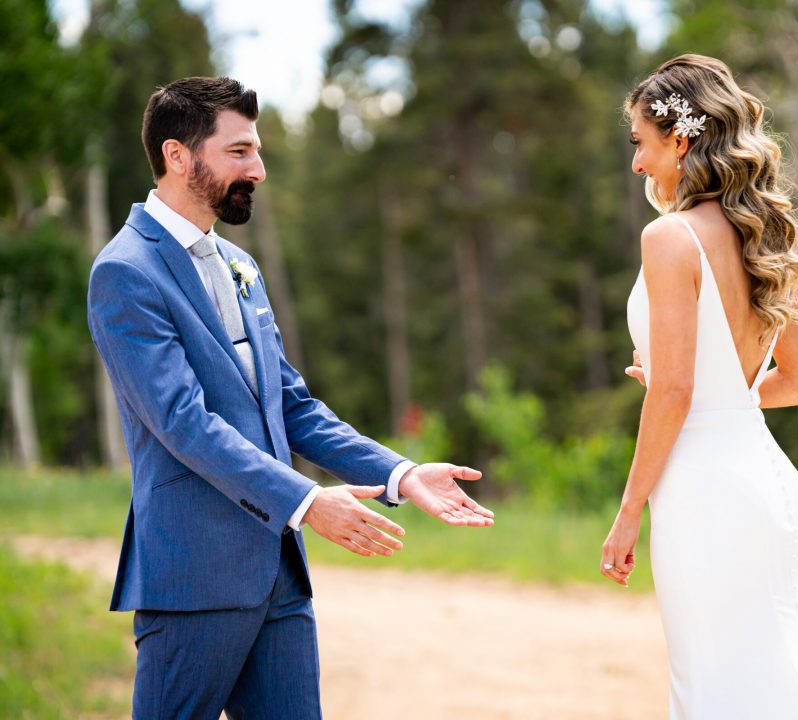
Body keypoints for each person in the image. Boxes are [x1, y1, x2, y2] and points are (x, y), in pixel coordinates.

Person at [87, 76, 494, 720]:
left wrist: (401, 473)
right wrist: (305, 501)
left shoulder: (239, 265)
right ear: (177, 155)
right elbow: (183, 422)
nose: (260, 169)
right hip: (194, 578)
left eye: (258, 151)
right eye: (240, 152)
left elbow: (293, 407)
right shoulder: (125, 272)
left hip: (281, 579)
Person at [601, 55, 798, 719]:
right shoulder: (765, 235)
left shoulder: (668, 237)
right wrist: (713, 397)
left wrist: (627, 511)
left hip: (707, 499)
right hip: (771, 487)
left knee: (715, 690)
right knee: (779, 677)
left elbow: (670, 394)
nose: (637, 164)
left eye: (640, 143)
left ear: (681, 138)